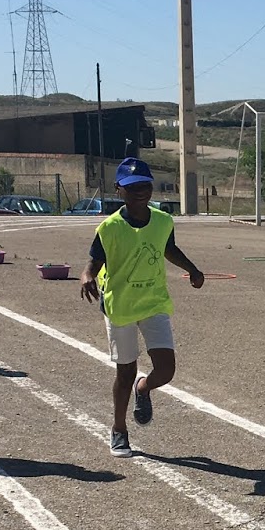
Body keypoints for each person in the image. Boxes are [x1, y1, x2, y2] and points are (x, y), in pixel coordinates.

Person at [80, 157, 205, 458]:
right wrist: (86, 277)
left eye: (145, 186)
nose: (140, 192)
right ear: (119, 190)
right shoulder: (109, 228)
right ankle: (118, 430)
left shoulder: (163, 221)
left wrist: (193, 270)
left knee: (166, 369)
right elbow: (93, 262)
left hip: (153, 301)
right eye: (133, 187)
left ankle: (144, 388)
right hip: (120, 305)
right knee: (125, 372)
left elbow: (168, 248)